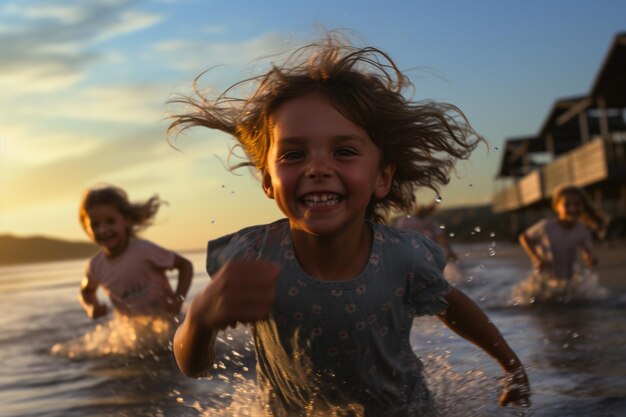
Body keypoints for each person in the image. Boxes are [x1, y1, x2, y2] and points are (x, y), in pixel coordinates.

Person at [169, 34, 530, 415]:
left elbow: (452, 305)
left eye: (344, 152)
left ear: (382, 177)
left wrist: (512, 365)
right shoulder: (253, 258)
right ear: (267, 181)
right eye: (293, 154)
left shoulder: (402, 256)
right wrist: (200, 319)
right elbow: (193, 367)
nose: (318, 168)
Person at [78, 185, 193, 319]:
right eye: (95, 225)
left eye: (110, 221)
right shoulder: (95, 265)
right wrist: (92, 307)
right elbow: (86, 292)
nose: (103, 230)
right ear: (87, 228)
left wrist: (177, 300)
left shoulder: (144, 250)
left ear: (127, 220)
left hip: (168, 320)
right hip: (132, 330)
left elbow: (185, 265)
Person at [517, 184, 607, 303]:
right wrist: (536, 258)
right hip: (543, 279)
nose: (573, 208)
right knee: (538, 305)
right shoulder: (546, 226)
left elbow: (587, 251)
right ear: (557, 207)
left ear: (583, 207)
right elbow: (524, 237)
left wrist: (590, 258)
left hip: (567, 280)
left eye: (577, 204)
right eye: (567, 205)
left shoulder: (582, 231)